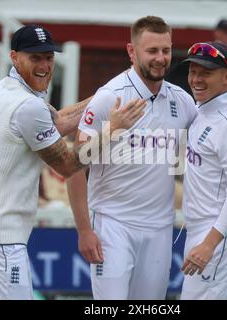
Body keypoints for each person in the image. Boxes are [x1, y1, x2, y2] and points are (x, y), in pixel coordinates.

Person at [0, 24, 145, 300]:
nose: (45, 65)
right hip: (0, 237)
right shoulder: (27, 106)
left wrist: (109, 93)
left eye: (49, 57)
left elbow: (57, 122)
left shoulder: (5, 88)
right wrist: (111, 130)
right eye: (35, 57)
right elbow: (69, 165)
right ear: (14, 57)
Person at [67, 16, 198, 300]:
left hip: (160, 228)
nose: (161, 58)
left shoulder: (182, 101)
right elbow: (74, 166)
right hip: (112, 225)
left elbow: (205, 151)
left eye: (166, 50)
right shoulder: (109, 97)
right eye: (152, 51)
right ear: (131, 51)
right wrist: (84, 230)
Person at [180, 42, 227, 299]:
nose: (196, 79)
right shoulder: (203, 111)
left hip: (218, 236)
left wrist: (209, 244)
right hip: (201, 231)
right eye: (193, 71)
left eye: (206, 73)